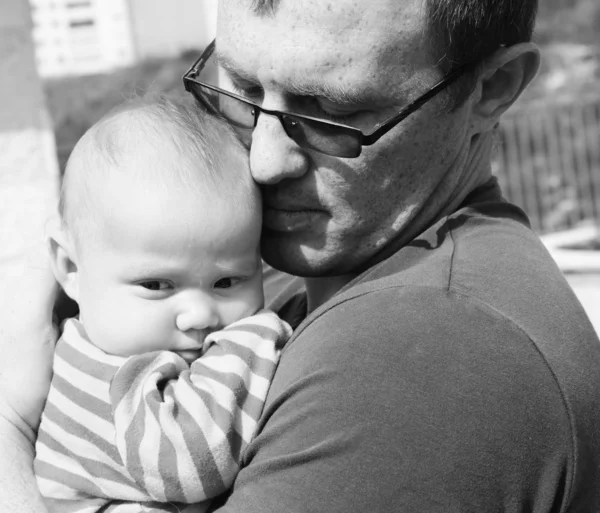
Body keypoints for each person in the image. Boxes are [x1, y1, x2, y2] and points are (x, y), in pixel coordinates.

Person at [1, 0, 600, 511]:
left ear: (492, 89)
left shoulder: (429, 351)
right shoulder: (295, 289)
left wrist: (10, 426)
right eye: (239, 90)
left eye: (329, 113)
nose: (264, 161)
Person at [32, 96, 291, 513]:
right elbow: (191, 464)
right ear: (70, 267)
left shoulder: (112, 340)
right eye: (156, 285)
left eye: (227, 281)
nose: (200, 315)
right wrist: (256, 338)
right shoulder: (106, 379)